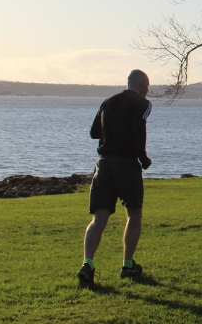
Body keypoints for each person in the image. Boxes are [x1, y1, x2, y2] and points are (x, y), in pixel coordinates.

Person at [77, 69, 153, 287]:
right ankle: (127, 264)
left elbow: (94, 132)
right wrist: (143, 157)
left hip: (103, 165)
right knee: (134, 213)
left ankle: (88, 263)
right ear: (141, 84)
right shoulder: (142, 104)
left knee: (99, 218)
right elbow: (139, 128)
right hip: (127, 164)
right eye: (147, 86)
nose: (148, 91)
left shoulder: (108, 101)